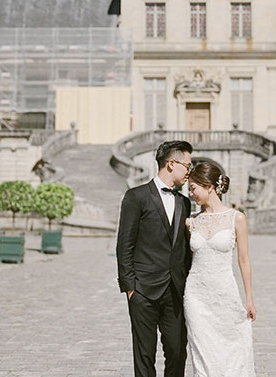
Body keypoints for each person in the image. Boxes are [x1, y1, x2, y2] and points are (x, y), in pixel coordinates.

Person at [117, 140, 193, 377]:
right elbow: (124, 245)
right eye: (187, 165)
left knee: (178, 351)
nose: (190, 170)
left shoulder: (185, 202)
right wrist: (131, 288)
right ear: (171, 164)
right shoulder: (136, 197)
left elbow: (185, 249)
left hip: (174, 292)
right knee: (144, 354)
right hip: (143, 291)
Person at [184, 162, 256, 377]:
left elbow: (244, 260)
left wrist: (249, 298)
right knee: (202, 354)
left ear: (209, 187)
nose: (191, 193)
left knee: (230, 350)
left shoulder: (237, 218)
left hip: (225, 293)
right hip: (196, 295)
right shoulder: (190, 222)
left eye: (194, 188)